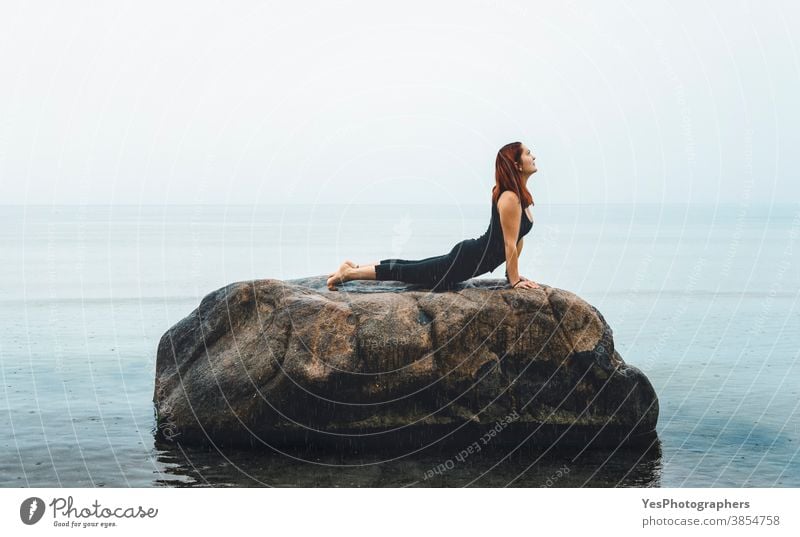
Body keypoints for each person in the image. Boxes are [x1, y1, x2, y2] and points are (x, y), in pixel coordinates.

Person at [326, 142, 541, 291]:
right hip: (465, 261)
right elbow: (509, 244)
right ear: (516, 165)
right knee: (407, 272)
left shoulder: (520, 197)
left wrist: (512, 274)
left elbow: (518, 238)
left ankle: (354, 267)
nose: (533, 156)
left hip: (468, 256)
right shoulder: (510, 198)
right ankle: (349, 275)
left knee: (412, 265)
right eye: (528, 153)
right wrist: (513, 282)